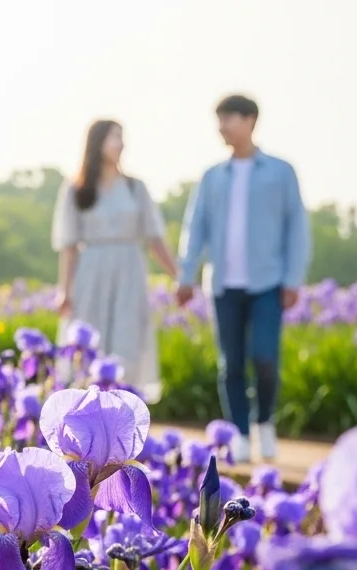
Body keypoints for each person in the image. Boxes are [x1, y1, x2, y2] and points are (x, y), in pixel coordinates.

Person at [177, 95, 310, 462]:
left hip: (268, 282)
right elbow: (195, 227)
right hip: (223, 284)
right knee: (231, 364)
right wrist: (186, 275)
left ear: (250, 120)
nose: (222, 127)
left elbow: (296, 227)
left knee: (265, 358)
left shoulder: (280, 172)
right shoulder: (212, 176)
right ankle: (238, 433)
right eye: (219, 120)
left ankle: (264, 423)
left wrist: (293, 279)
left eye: (229, 119)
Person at [52, 119, 177, 403]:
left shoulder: (135, 187)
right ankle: (84, 411)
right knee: (88, 339)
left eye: (122, 137)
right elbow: (69, 246)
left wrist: (178, 275)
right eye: (113, 137)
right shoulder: (77, 189)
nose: (120, 143)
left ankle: (124, 410)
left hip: (129, 268)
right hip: (91, 270)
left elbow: (154, 238)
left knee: (127, 337)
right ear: (97, 143)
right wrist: (65, 290)